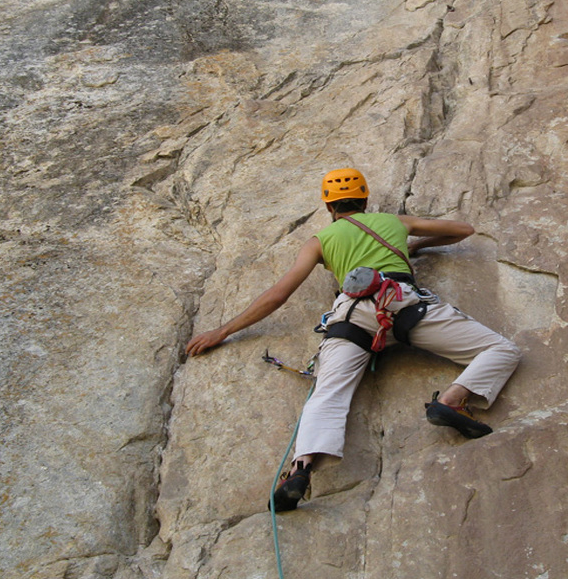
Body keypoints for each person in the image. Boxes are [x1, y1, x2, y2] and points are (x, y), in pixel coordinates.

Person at [185, 167, 522, 511]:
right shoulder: (394, 222)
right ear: (365, 199)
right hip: (400, 303)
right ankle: (451, 400)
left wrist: (222, 331)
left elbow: (279, 294)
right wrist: (413, 244)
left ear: (329, 207)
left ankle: (301, 468)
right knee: (500, 349)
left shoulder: (320, 241)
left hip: (350, 316)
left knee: (328, 392)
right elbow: (463, 230)